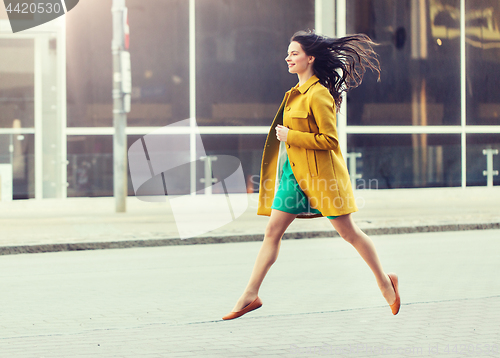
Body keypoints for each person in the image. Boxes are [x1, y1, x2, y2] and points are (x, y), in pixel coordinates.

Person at [222, 30, 400, 320]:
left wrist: (291, 134)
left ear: (310, 58)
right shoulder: (293, 94)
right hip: (294, 176)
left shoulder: (319, 95)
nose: (288, 57)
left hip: (321, 177)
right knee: (272, 231)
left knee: (349, 233)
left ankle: (384, 281)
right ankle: (250, 294)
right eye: (288, 53)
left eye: (294, 53)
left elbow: (330, 140)